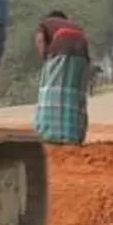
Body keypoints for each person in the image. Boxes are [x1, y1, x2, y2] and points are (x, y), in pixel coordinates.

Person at [32, 10, 91, 144]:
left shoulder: (44, 25)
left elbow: (41, 41)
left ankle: (50, 133)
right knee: (75, 91)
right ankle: (73, 134)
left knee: (52, 90)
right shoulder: (75, 26)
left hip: (62, 46)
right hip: (82, 52)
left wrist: (46, 61)